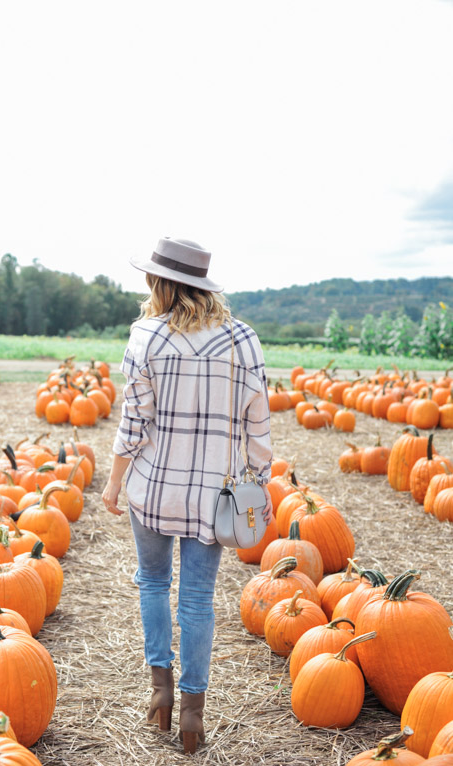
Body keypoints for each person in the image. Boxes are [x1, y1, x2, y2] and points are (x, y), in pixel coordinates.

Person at [102, 237, 273, 754]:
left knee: (152, 582)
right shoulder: (244, 340)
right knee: (197, 599)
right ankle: (194, 716)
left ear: (160, 282)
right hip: (211, 497)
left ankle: (160, 695)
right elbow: (258, 426)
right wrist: (257, 485)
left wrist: (114, 481)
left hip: (152, 488)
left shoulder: (145, 336)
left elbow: (133, 424)